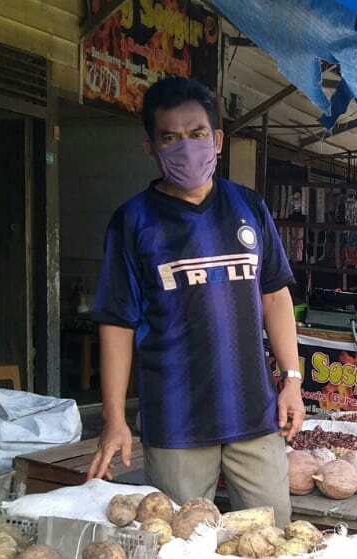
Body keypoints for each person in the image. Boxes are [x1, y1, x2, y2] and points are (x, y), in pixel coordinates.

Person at [86, 76, 304, 525]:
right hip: (176, 423)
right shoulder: (133, 222)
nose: (187, 147)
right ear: (152, 148)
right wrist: (114, 419)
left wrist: (293, 380)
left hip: (254, 415)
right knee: (180, 553)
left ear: (217, 140)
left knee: (274, 539)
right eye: (172, 138)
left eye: (198, 134)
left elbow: (275, 295)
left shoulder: (248, 207)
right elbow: (116, 324)